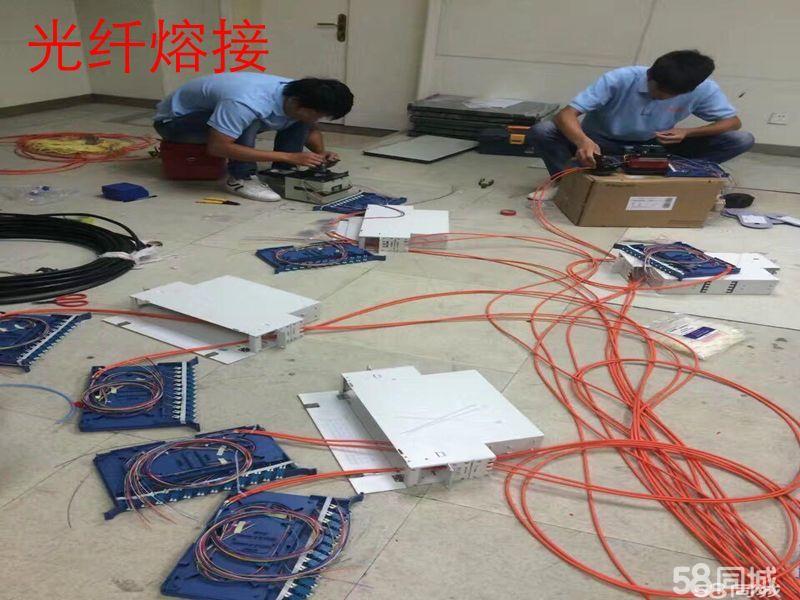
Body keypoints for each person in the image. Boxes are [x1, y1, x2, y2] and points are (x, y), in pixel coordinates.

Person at [528, 50, 754, 179]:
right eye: (658, 89)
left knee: (741, 139)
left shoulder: (705, 89)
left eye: (671, 95)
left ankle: (674, 175)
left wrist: (687, 132)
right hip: (600, 143)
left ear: (690, 89)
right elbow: (565, 115)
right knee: (543, 131)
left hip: (654, 144)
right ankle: (566, 182)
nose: (661, 97)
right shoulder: (621, 78)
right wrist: (582, 141)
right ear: (650, 75)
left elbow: (733, 122)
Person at [153, 73, 354, 201]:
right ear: (294, 102)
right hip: (174, 124)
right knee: (250, 120)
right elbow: (218, 147)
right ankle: (241, 177)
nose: (316, 120)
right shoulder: (247, 102)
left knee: (300, 119)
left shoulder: (299, 94)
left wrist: (320, 154)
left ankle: (283, 171)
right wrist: (290, 156)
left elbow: (310, 128)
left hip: (217, 113)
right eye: (316, 114)